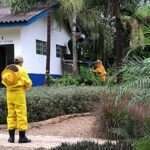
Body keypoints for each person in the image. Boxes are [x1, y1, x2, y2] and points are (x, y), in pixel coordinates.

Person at [1, 56, 32, 143]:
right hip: (19, 94)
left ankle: (11, 138)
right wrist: (25, 88)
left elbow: (4, 81)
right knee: (21, 114)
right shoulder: (22, 70)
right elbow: (28, 83)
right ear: (21, 62)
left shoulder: (8, 68)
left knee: (11, 114)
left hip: (9, 94)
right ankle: (22, 137)